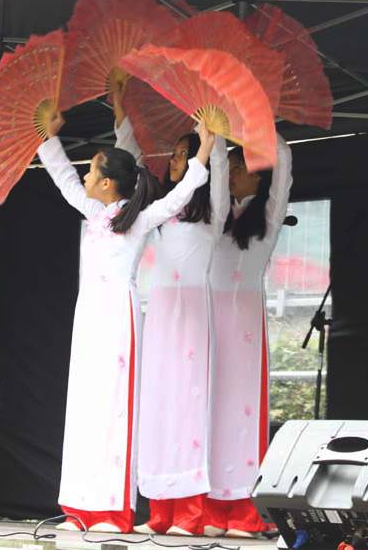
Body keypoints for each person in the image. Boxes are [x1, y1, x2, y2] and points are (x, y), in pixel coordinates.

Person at [38, 111, 215, 533]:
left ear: (107, 183)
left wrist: (205, 150)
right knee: (86, 407)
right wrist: (48, 138)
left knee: (115, 409)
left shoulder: (138, 219)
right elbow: (63, 178)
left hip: (120, 317)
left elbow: (178, 198)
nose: (84, 176)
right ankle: (81, 507)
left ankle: (114, 513)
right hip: (89, 315)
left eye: (91, 170)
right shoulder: (92, 211)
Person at [114, 107, 230, 536]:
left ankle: (191, 514)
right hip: (160, 316)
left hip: (194, 319)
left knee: (189, 411)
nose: (176, 160)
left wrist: (212, 140)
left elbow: (218, 173)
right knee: (159, 409)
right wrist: (122, 116)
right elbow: (129, 169)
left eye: (184, 153)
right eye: (177, 154)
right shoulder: (160, 212)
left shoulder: (214, 212)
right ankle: (160, 511)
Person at [204, 134, 292, 538]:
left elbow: (283, 169)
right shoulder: (215, 216)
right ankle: (208, 510)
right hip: (210, 324)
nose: (232, 174)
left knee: (242, 414)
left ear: (258, 175)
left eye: (240, 168)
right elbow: (216, 170)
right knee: (208, 413)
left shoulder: (268, 218)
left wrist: (264, 131)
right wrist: (218, 137)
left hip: (245, 330)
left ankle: (242, 513)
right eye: (231, 167)